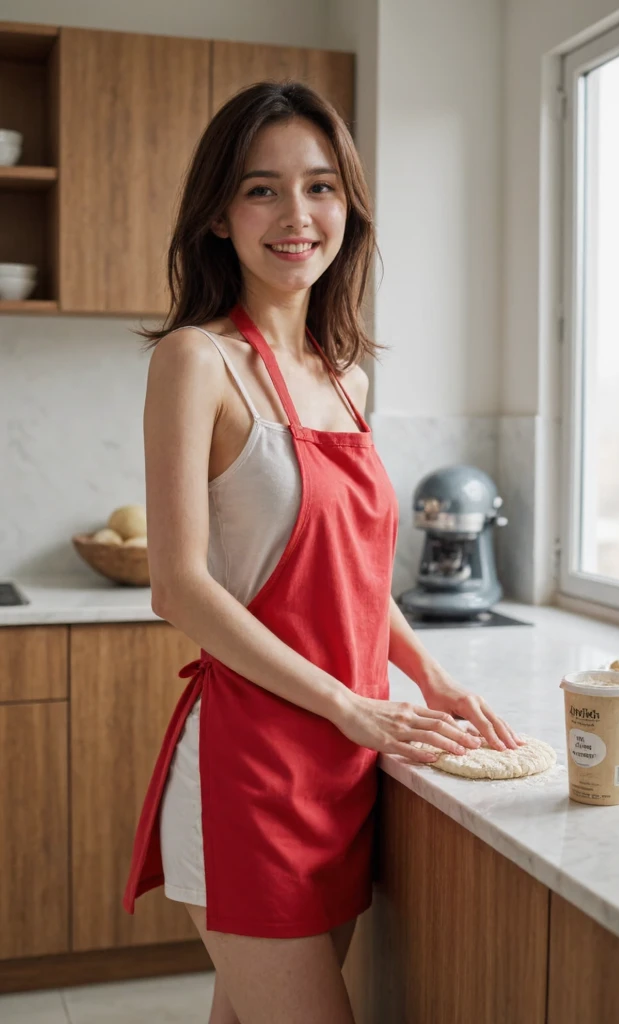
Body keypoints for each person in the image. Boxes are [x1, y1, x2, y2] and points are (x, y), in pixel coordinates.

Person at [122, 80, 524, 1024]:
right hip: (252, 770)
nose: (296, 215)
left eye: (321, 187)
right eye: (262, 189)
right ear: (220, 215)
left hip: (341, 763)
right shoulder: (196, 361)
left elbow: (351, 579)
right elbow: (179, 587)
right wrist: (353, 706)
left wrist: (430, 677)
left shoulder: (346, 378)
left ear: (349, 207)